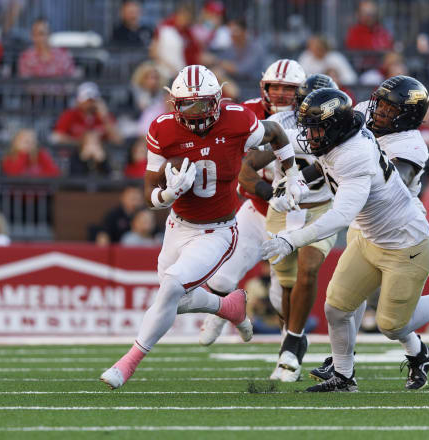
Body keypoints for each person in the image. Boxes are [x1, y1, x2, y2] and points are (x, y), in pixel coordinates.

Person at [100, 65, 308, 390]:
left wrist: (291, 174)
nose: (196, 113)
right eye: (188, 104)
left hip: (218, 230)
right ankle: (228, 306)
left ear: (218, 99)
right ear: (173, 102)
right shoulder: (162, 129)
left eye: (203, 104)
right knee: (173, 299)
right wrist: (168, 194)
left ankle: (127, 364)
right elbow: (149, 192)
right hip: (177, 225)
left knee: (170, 288)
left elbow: (277, 135)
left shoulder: (238, 120)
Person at [262, 87, 429, 392]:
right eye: (382, 106)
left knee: (392, 324)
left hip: (404, 241)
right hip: (369, 233)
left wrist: (291, 240)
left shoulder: (372, 151)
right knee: (336, 307)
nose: (381, 112)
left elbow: (341, 212)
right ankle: (344, 375)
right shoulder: (350, 123)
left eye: (391, 109)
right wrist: (291, 179)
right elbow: (309, 152)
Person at [207, 73, 338, 383]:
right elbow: (247, 166)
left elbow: (328, 167)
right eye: (308, 106)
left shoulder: (348, 129)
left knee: (308, 269)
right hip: (282, 210)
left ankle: (291, 345)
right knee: (284, 291)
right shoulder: (287, 125)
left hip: (322, 208)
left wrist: (301, 180)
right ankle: (292, 341)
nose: (314, 114)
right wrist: (272, 192)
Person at [197, 60, 307, 353]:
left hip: (294, 215)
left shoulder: (309, 118)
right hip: (257, 206)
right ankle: (218, 315)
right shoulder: (247, 113)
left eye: (289, 88)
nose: (282, 93)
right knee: (221, 276)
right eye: (276, 87)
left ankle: (290, 347)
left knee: (279, 294)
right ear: (264, 87)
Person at [52, 82, 123, 146]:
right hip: (73, 156)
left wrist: (105, 117)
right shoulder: (70, 115)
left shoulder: (105, 116)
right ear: (78, 101)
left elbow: (118, 140)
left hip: (100, 157)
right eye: (87, 100)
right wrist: (85, 143)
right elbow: (57, 137)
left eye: (93, 100)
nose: (90, 103)